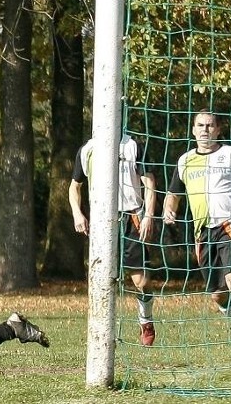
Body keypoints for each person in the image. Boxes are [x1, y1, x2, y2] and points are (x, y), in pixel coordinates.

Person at [163, 110, 231, 353]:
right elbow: (173, 195)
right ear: (193, 130)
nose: (205, 129)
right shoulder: (185, 160)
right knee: (217, 294)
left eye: (210, 125)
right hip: (202, 231)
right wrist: (169, 210)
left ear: (218, 130)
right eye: (200, 125)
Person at [68, 133, 158, 346]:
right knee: (102, 279)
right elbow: (74, 186)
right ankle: (104, 333)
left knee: (141, 281)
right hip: (101, 220)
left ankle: (146, 320)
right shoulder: (87, 149)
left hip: (131, 217)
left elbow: (149, 182)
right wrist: (77, 213)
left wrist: (148, 216)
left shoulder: (133, 145)